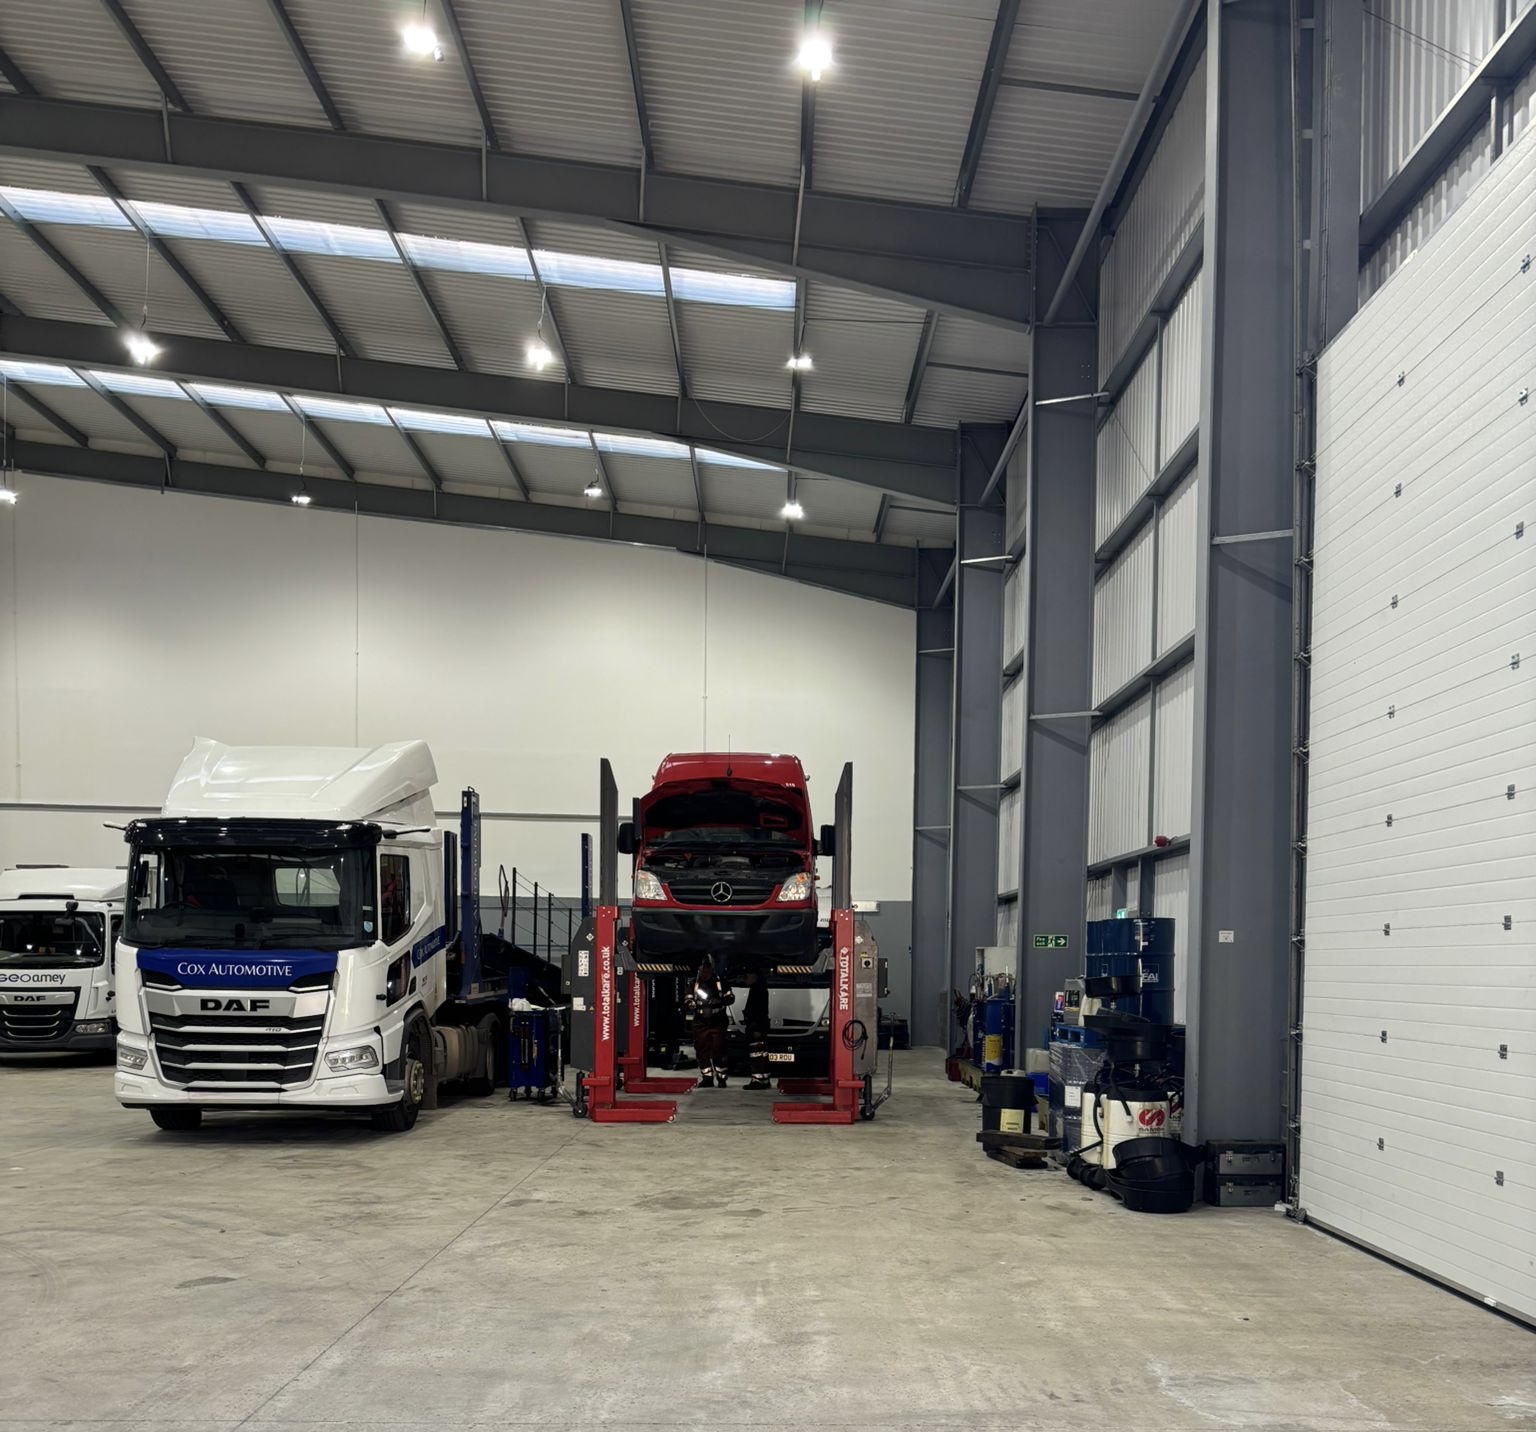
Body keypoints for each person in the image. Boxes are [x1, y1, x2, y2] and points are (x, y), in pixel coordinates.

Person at [688, 957, 734, 1088]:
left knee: (718, 1050)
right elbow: (688, 997)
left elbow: (730, 998)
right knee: (701, 1050)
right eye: (702, 971)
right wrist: (690, 1003)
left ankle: (721, 1078)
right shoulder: (694, 983)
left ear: (712, 970)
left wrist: (719, 1001)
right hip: (700, 1021)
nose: (704, 973)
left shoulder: (721, 983)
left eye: (707, 971)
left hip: (717, 1021)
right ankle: (707, 1078)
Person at [741, 971, 772, 1090]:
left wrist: (756, 1027)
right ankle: (764, 1079)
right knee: (762, 1053)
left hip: (756, 1027)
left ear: (754, 977)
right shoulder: (761, 988)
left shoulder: (757, 990)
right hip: (760, 1026)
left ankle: (757, 1080)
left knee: (756, 1053)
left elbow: (758, 1011)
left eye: (746, 976)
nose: (744, 979)